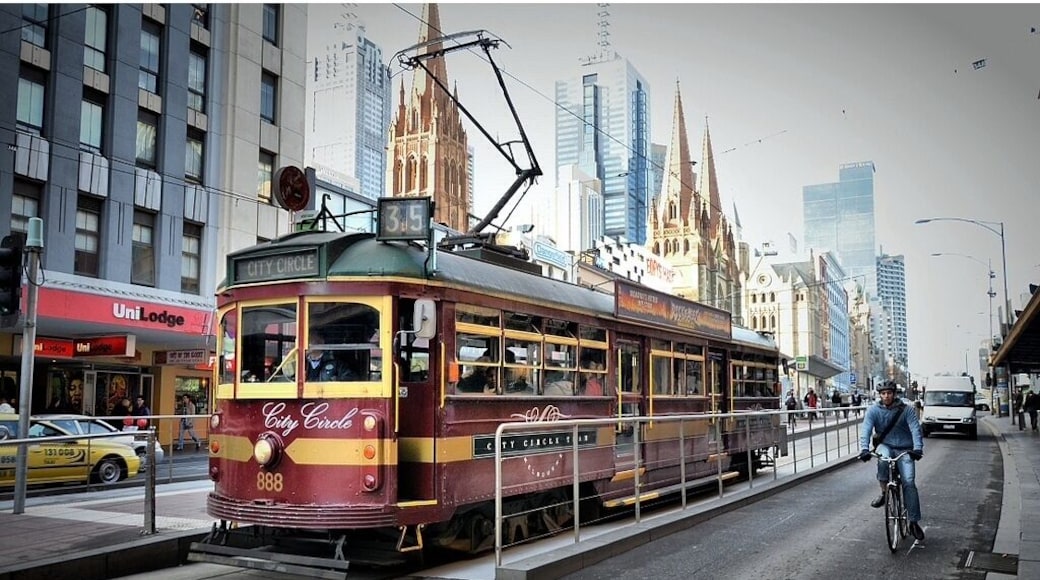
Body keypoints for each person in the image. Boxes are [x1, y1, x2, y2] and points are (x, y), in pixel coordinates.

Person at [858, 380, 926, 541]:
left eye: (889, 393)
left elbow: (915, 429)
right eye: (883, 393)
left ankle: (914, 522)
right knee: (882, 458)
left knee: (909, 482)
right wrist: (864, 449)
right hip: (885, 445)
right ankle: (884, 492)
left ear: (894, 394)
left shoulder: (907, 410)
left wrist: (918, 449)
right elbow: (866, 430)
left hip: (905, 448)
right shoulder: (873, 410)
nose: (886, 396)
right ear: (879, 395)